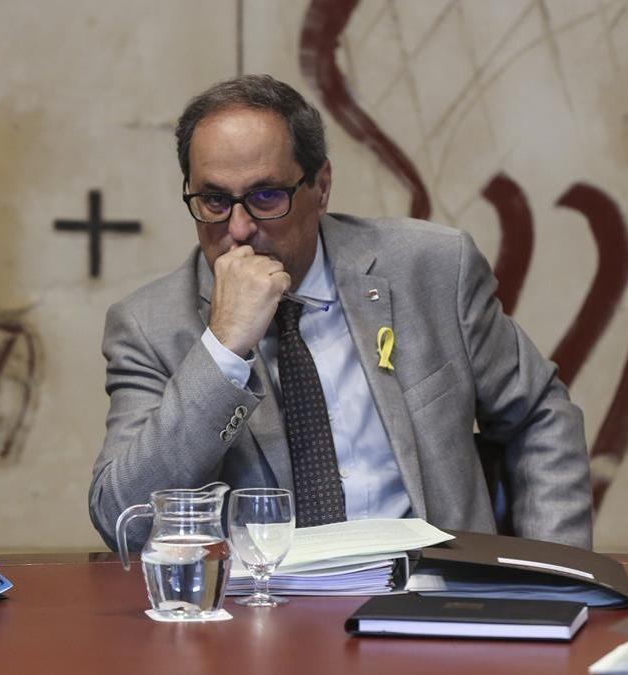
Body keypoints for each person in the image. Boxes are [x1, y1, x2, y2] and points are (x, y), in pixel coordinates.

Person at [89, 74, 591, 551]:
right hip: (263, 616)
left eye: (267, 196)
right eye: (215, 200)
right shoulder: (150, 326)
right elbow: (123, 520)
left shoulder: (432, 270)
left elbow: (540, 415)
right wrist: (222, 350)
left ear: (321, 186)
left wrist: (555, 578)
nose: (238, 228)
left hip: (433, 597)